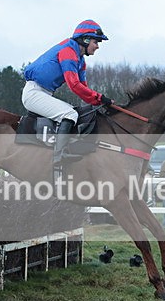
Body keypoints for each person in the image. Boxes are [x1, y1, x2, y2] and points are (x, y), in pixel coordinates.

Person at [22, 19, 113, 182]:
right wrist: (99, 98)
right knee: (70, 115)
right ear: (85, 40)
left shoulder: (80, 61)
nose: (98, 46)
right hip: (34, 93)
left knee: (75, 112)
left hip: (44, 93)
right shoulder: (68, 52)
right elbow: (74, 85)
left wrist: (100, 103)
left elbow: (84, 88)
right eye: (96, 42)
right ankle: (58, 159)